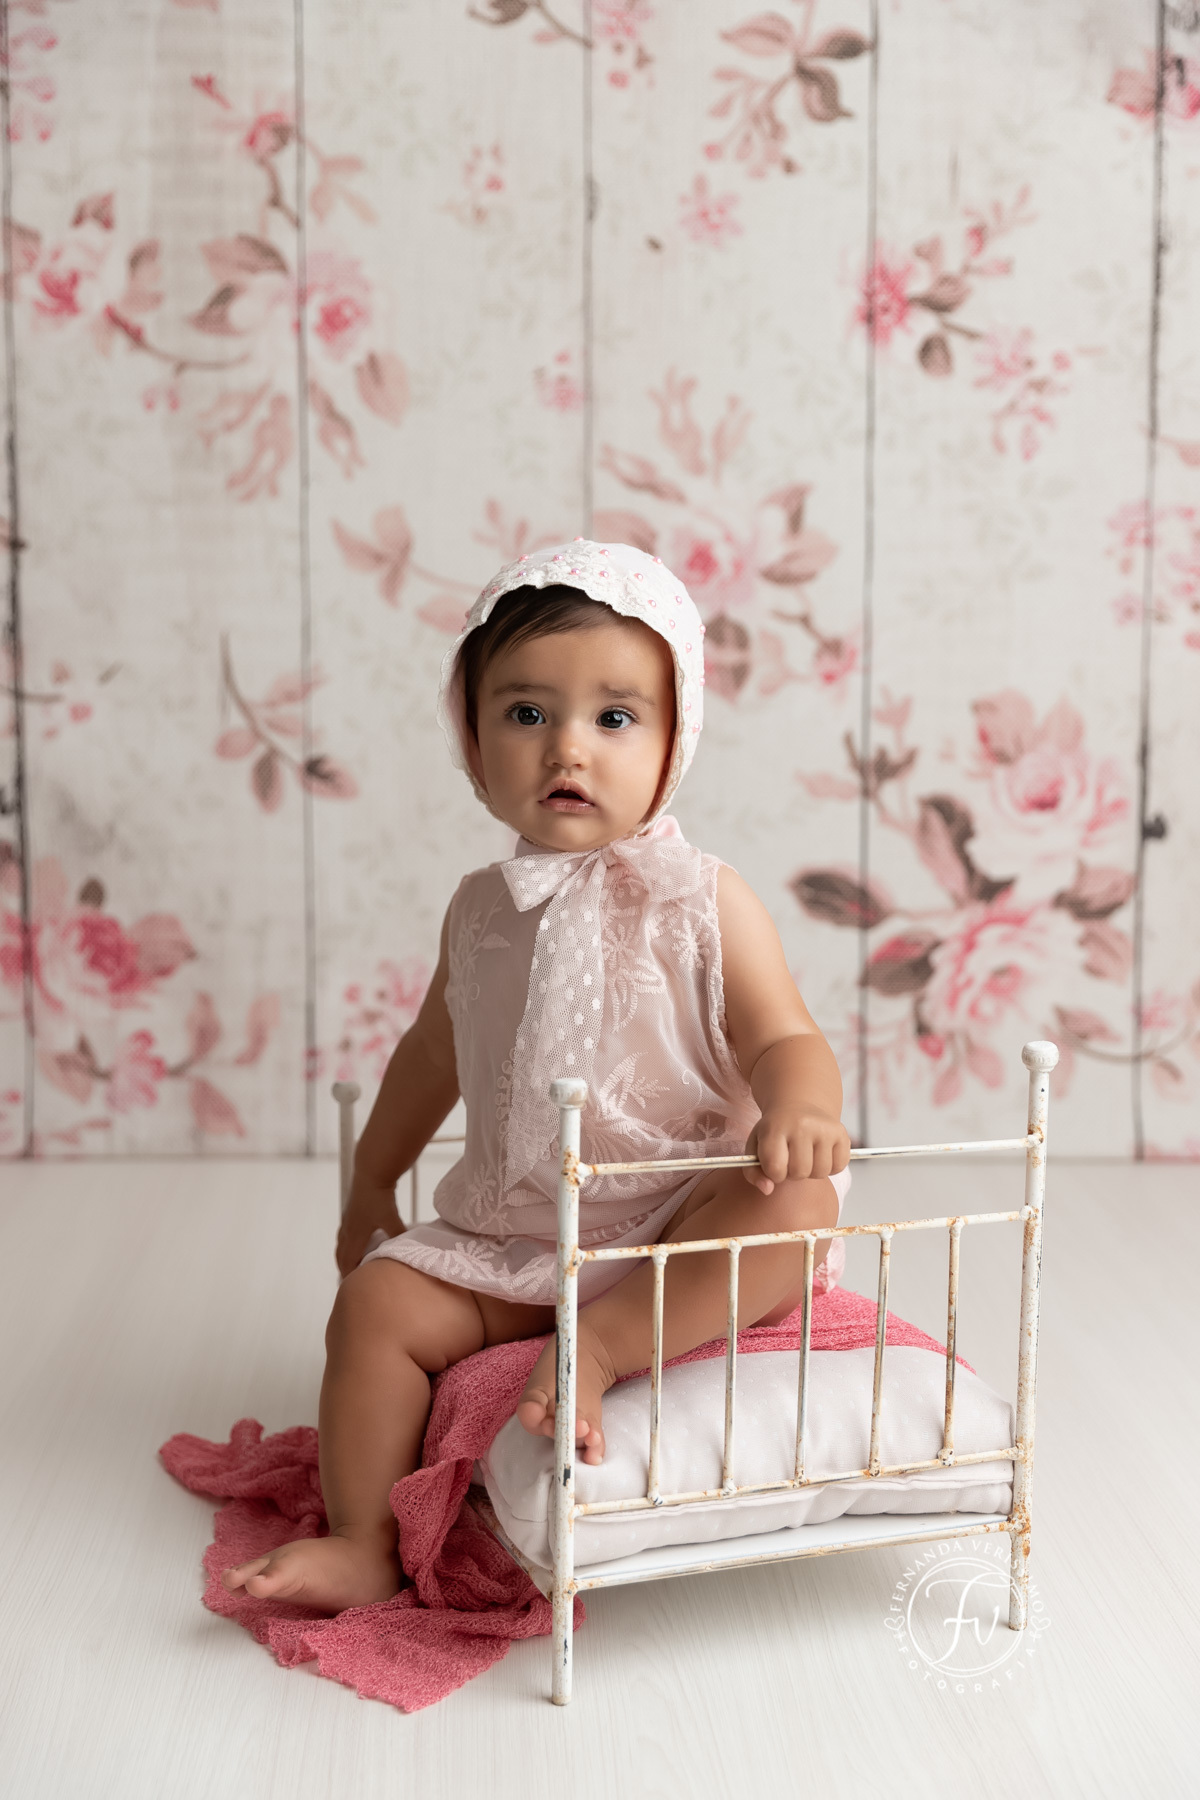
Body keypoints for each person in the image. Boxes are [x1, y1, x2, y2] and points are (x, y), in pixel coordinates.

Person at [222, 540, 851, 1614]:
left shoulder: (704, 898)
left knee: (797, 1205)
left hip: (678, 1225)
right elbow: (430, 1055)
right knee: (373, 1306)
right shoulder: (479, 909)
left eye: (615, 717)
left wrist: (803, 1103)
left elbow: (784, 1035)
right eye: (526, 713)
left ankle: (598, 1349)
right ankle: (368, 1537)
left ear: (675, 739)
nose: (568, 746)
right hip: (518, 1245)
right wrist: (372, 1179)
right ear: (472, 737)